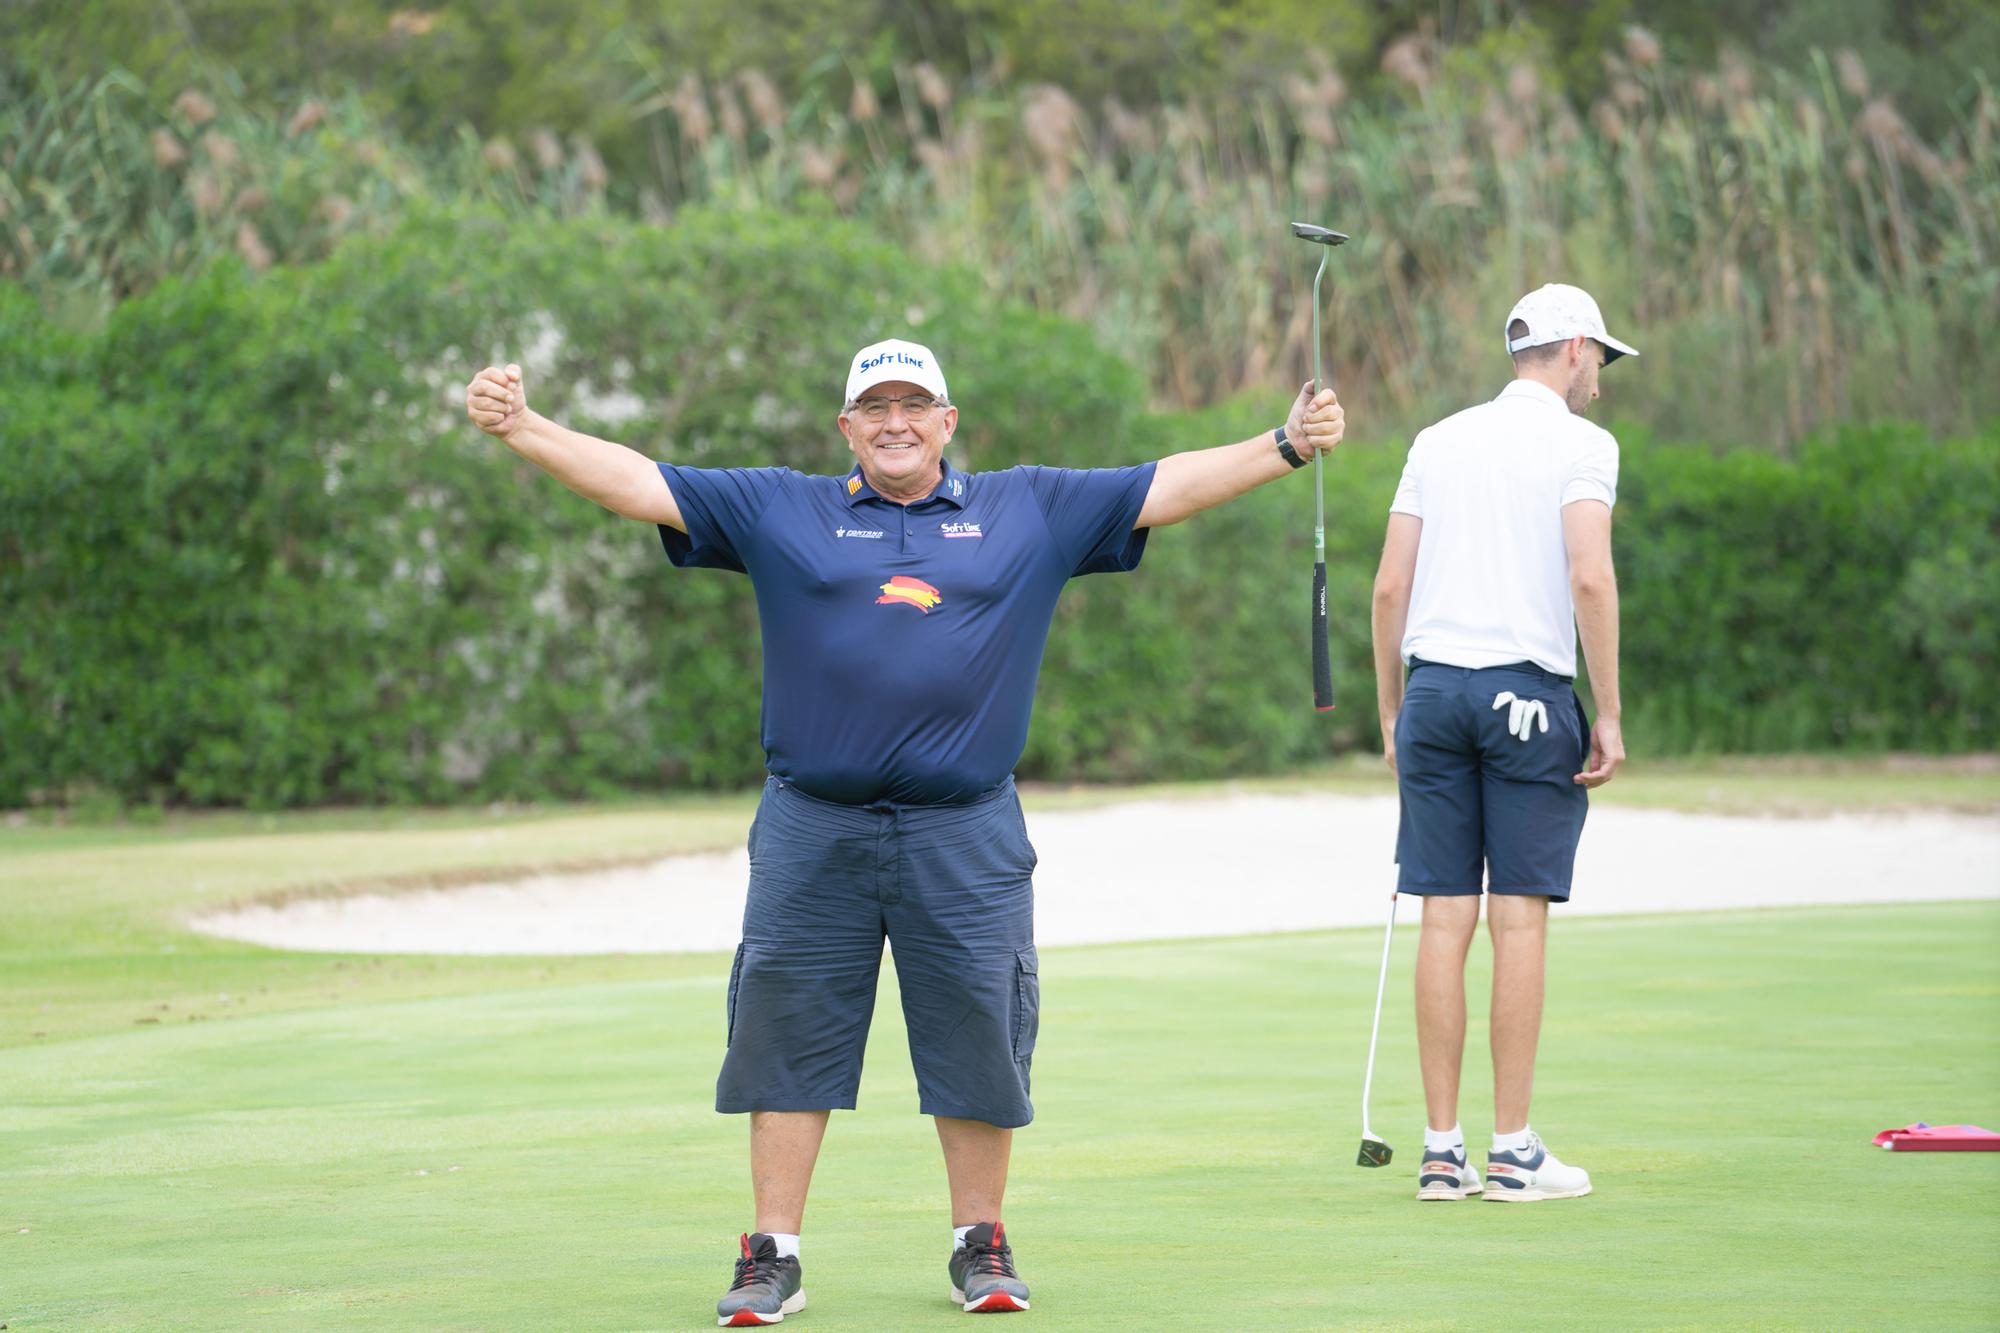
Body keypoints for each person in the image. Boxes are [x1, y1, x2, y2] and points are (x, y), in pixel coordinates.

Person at [465, 337, 1344, 1322]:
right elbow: (639, 483)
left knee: (978, 1030)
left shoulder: (1024, 508)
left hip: (965, 828)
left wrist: (1284, 444)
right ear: (845, 426)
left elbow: (1162, 486)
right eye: (874, 407)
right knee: (785, 1033)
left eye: (912, 405)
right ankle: (770, 1255)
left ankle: (981, 1245)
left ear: (946, 421)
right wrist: (524, 428)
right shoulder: (780, 507)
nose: (894, 422)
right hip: (812, 825)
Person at [1368, 284, 1631, 1205]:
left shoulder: (1436, 441)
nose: (1599, 372)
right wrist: (1608, 710)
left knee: (1446, 914)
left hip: (1436, 690)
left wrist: (1395, 709)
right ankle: (1512, 1148)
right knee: (1517, 914)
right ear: (1567, 351)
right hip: (1527, 690)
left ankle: (1443, 1152)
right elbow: (1590, 577)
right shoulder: (1583, 445)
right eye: (1597, 354)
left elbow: (1390, 589)